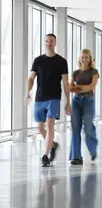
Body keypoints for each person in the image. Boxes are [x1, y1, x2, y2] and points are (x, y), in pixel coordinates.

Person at [26, 34, 71, 167]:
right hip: (40, 98)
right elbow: (31, 78)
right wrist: (27, 92)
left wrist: (68, 101)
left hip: (54, 97)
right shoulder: (38, 60)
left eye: (51, 41)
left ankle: (45, 155)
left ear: (55, 43)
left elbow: (65, 82)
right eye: (46, 41)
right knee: (40, 127)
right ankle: (53, 145)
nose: (48, 43)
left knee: (50, 123)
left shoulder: (61, 61)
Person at [69, 49, 99, 165]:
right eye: (82, 57)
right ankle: (76, 157)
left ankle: (92, 150)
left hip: (88, 101)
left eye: (87, 57)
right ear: (79, 58)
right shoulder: (76, 73)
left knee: (88, 128)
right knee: (75, 128)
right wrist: (82, 87)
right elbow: (70, 88)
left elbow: (91, 86)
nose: (84, 59)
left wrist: (78, 86)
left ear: (90, 59)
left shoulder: (94, 72)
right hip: (76, 101)